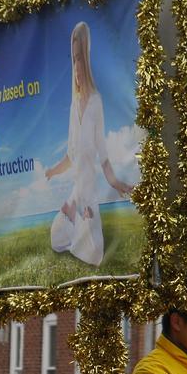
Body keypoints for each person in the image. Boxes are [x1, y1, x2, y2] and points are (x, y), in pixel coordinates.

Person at [45, 21, 134, 268]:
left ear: (86, 58)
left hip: (89, 193)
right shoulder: (74, 106)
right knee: (56, 239)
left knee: (94, 254)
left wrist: (115, 182)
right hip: (76, 191)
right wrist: (52, 171)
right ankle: (75, 220)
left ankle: (83, 221)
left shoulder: (96, 103)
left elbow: (103, 155)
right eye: (73, 60)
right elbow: (71, 155)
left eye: (79, 58)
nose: (76, 67)